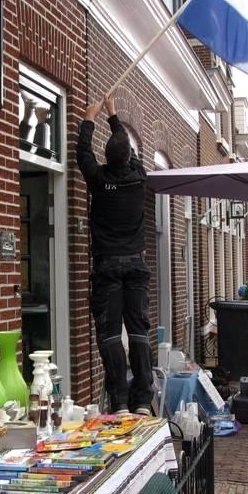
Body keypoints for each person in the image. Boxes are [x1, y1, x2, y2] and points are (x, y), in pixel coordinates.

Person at [76, 92, 153, 416]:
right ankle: (143, 400)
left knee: (109, 336)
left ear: (107, 159)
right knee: (138, 332)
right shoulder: (139, 178)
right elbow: (125, 150)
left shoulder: (99, 179)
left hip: (107, 267)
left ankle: (120, 401)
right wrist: (111, 115)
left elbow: (82, 154)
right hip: (136, 265)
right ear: (129, 158)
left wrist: (88, 118)